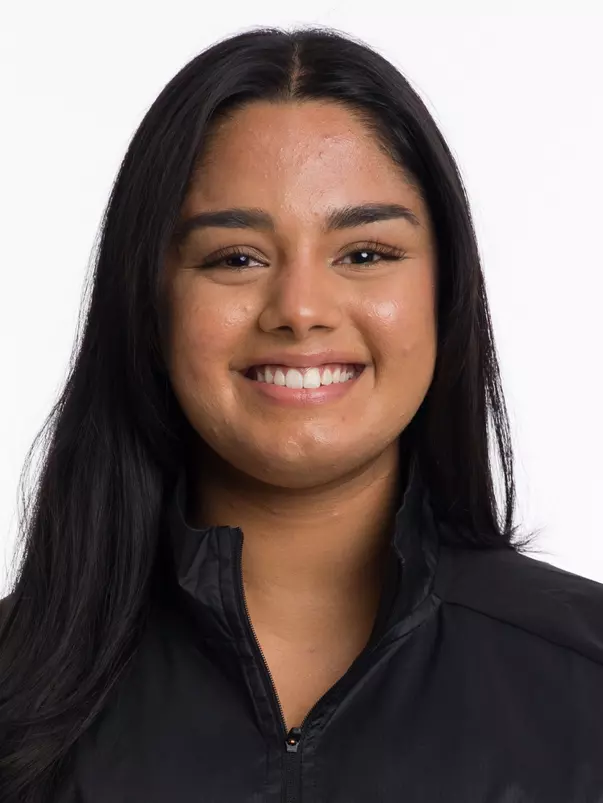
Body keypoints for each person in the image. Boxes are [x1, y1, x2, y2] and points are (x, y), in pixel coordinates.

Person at [1, 24, 602, 803]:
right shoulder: (16, 690)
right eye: (235, 258)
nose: (300, 309)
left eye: (363, 253)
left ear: (443, 294)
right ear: (148, 306)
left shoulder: (583, 681)